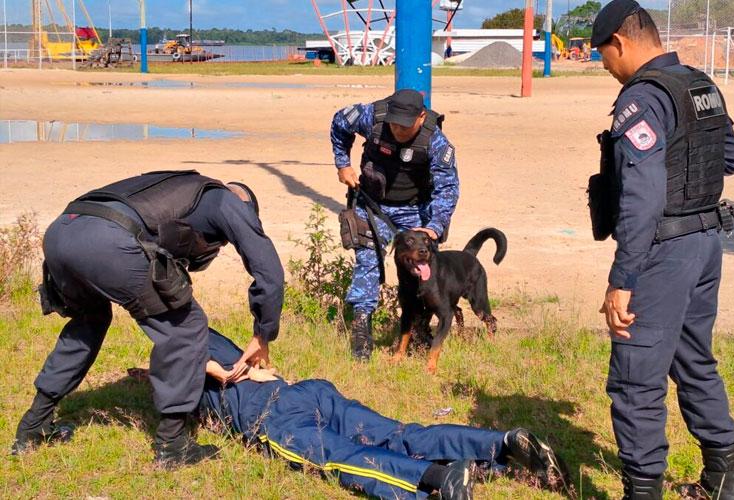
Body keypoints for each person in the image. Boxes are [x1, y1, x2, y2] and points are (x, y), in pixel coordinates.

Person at [12, 170, 285, 468]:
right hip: (108, 240)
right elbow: (269, 272)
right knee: (187, 327)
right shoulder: (227, 200)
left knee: (89, 321)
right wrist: (263, 334)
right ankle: (173, 446)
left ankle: (33, 426)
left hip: (61, 233)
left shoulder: (177, 188)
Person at [589, 2, 734, 498]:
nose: (605, 66)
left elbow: (642, 198)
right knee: (693, 357)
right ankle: (723, 481)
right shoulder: (700, 84)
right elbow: (730, 158)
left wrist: (622, 280)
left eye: (602, 55)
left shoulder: (642, 98)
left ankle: (643, 490)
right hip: (706, 242)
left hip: (663, 250)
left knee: (636, 377)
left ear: (619, 42)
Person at [197, 328, 570, 500]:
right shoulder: (202, 328)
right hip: (304, 391)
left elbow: (194, 374)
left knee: (341, 457)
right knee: (401, 434)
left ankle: (440, 479)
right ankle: (502, 442)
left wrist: (220, 374)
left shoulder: (178, 357)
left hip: (270, 416)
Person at [330, 88, 459, 361]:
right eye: (394, 123)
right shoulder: (372, 116)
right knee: (367, 262)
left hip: (415, 210)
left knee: (423, 269)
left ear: (421, 117)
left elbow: (447, 189)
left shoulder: (436, 141)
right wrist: (343, 164)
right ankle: (362, 329)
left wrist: (434, 227)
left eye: (405, 125)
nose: (398, 129)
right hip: (373, 205)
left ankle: (419, 328)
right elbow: (340, 122)